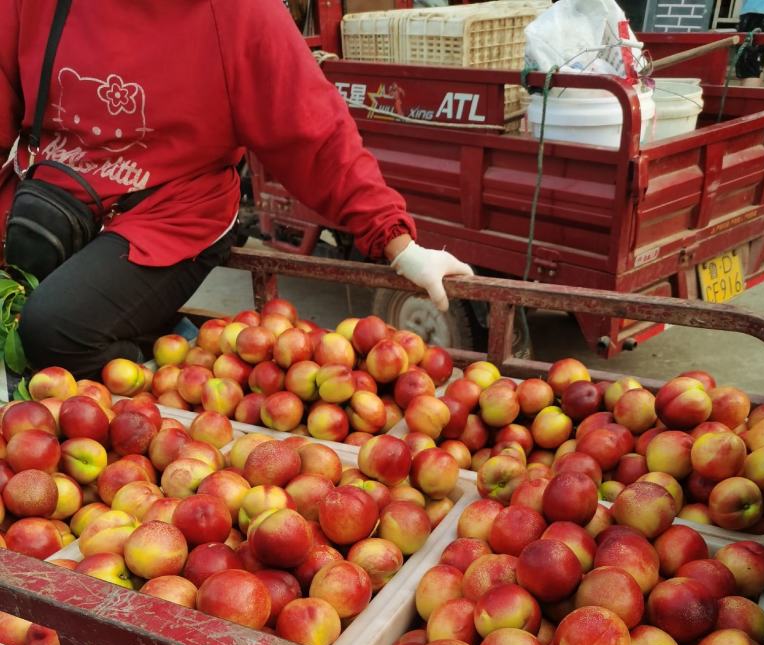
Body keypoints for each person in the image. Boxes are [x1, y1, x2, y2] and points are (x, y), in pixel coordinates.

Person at [0, 0, 472, 378]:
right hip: (51, 203)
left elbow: (312, 131)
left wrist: (397, 242)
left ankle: (170, 370)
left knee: (54, 331)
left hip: (169, 216)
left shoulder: (238, 11)